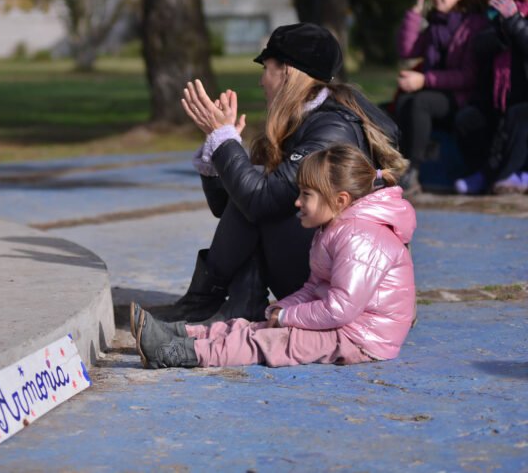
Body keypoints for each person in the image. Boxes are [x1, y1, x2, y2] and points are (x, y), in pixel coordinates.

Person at [157, 22, 405, 326]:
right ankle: (230, 303)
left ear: (286, 71)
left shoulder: (332, 129)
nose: (261, 81)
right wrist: (219, 149)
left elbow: (259, 202)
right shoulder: (302, 119)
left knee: (264, 201)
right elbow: (227, 206)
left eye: (266, 69)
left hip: (345, 291)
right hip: (322, 267)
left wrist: (224, 141)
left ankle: (210, 301)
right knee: (258, 194)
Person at [130, 144, 417, 370]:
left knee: (270, 341)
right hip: (347, 324)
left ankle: (174, 353)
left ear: (340, 200)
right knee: (255, 327)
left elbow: (341, 308)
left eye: (306, 194)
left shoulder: (360, 237)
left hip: (362, 338)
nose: (297, 201)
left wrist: (288, 317)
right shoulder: (335, 228)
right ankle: (181, 334)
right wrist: (279, 310)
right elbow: (313, 288)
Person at [395, 0, 487, 194]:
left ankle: (413, 170)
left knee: (421, 102)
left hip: (463, 96)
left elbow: (468, 77)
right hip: (437, 90)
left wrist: (424, 80)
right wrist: (416, 10)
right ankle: (399, 165)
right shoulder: (436, 24)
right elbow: (407, 50)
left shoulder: (473, 25)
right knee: (404, 100)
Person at [455, 0, 528, 194]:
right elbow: (479, 45)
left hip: (523, 98)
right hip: (498, 94)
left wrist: (514, 20)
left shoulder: (511, 13)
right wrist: (504, 31)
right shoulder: (504, 8)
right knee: (468, 119)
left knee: (519, 115)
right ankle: (484, 173)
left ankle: (508, 175)